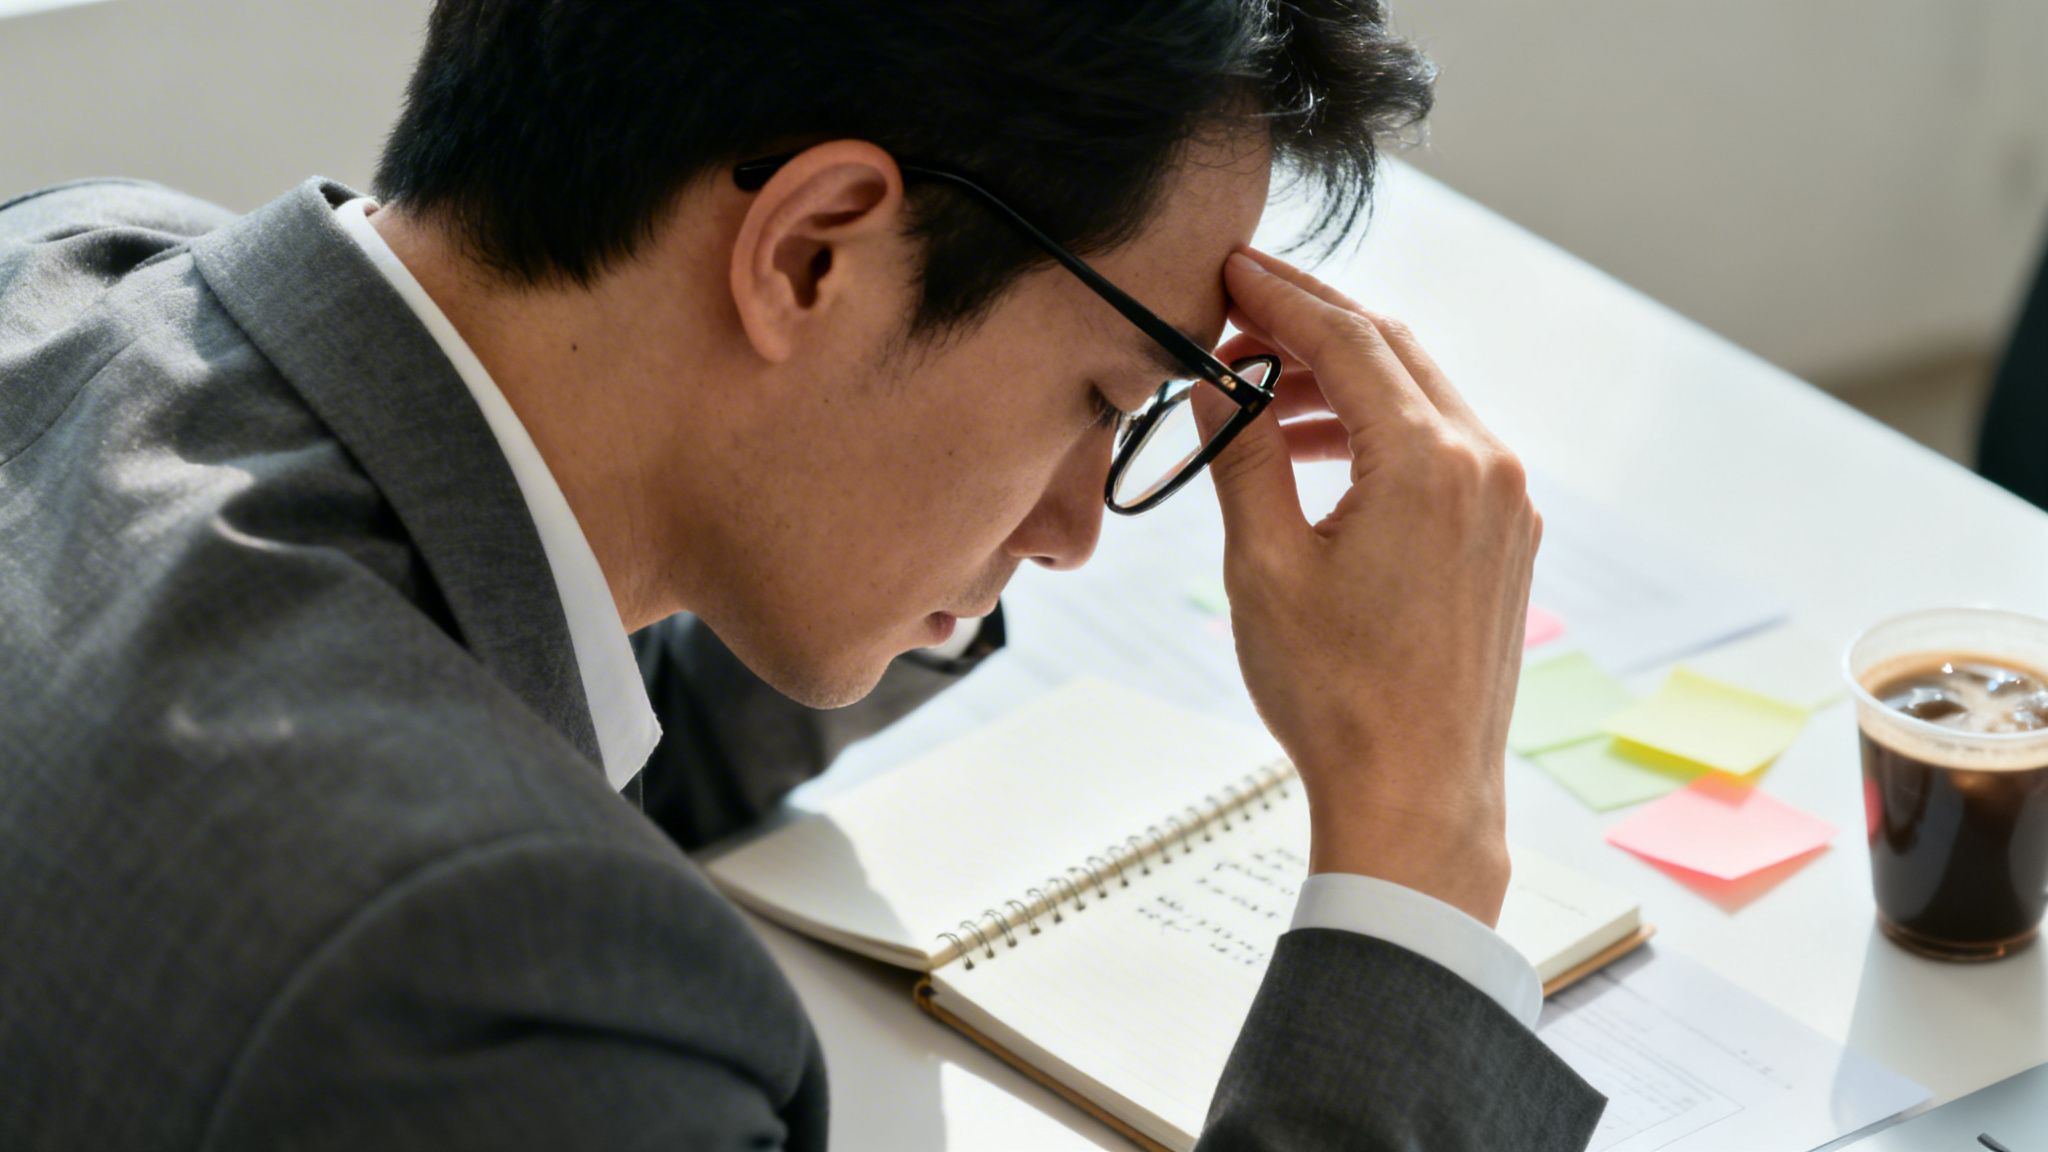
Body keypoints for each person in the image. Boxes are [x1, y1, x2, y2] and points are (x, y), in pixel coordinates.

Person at [0, 1, 1603, 1148]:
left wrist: (916, 566)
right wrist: (1417, 845)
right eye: (1105, 403)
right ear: (814, 251)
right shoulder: (512, 987)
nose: (1074, 530)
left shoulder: (70, 268)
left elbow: (503, 697)